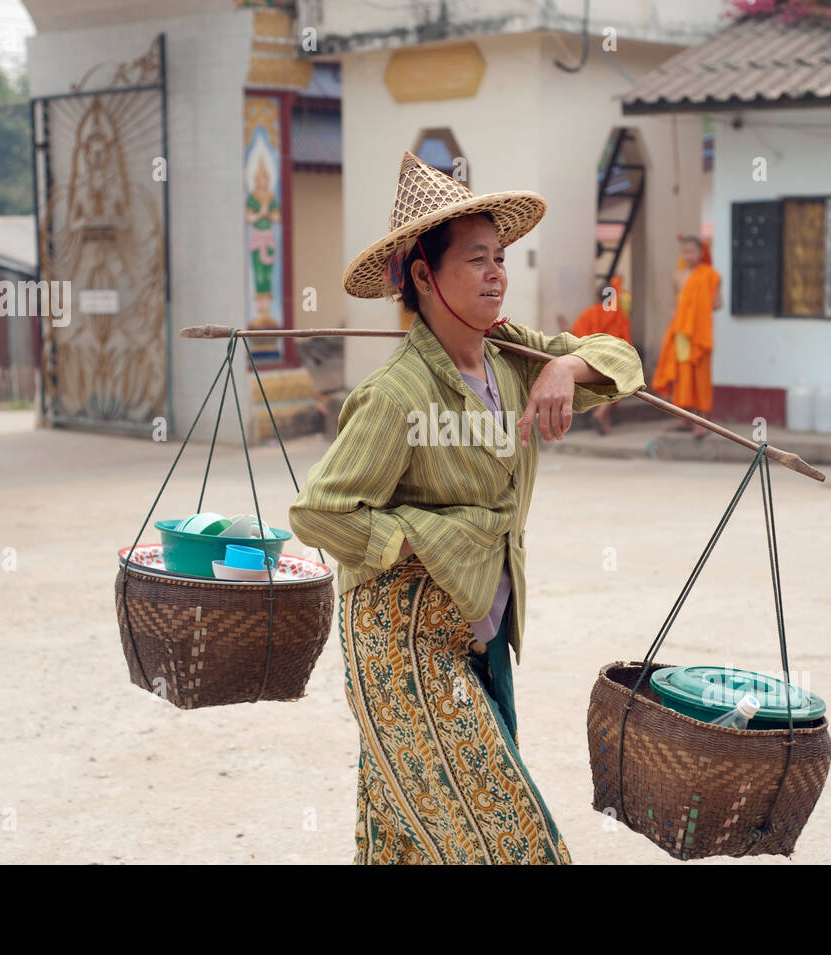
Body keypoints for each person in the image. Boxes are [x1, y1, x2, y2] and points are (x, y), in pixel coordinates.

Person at [288, 150, 644, 864]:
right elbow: (319, 512)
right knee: (508, 841)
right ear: (424, 276)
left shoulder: (512, 356)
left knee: (404, 849)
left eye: (500, 257)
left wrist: (566, 365)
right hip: (401, 643)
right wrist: (422, 535)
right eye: (476, 258)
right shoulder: (395, 395)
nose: (495, 273)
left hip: (478, 635)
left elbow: (624, 362)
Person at [653, 235, 721, 438]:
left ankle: (704, 420)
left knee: (700, 375)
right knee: (682, 375)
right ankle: (685, 419)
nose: (689, 255)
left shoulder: (710, 275)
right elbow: (676, 304)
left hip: (699, 332)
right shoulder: (678, 275)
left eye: (693, 251)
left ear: (701, 253)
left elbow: (717, 303)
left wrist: (697, 309)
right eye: (686, 251)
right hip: (681, 331)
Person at [554, 274, 633, 435]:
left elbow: (576, 335)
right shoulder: (619, 315)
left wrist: (564, 326)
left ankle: (603, 420)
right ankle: (600, 414)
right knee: (620, 384)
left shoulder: (589, 313)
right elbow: (625, 342)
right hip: (613, 361)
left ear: (597, 296)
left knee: (603, 386)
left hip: (592, 361)